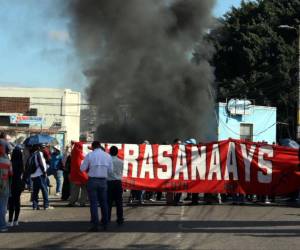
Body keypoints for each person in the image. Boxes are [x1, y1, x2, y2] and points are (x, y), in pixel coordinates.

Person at [80, 141, 112, 232]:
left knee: (93, 204)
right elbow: (110, 171)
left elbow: (82, 168)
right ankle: (105, 224)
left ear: (93, 147)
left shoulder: (90, 155)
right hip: (103, 181)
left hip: (92, 181)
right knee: (104, 203)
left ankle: (95, 225)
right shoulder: (107, 156)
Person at [29, 145, 53, 210]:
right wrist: (44, 172)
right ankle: (46, 205)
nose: (44, 148)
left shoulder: (32, 153)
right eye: (43, 147)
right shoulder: (39, 153)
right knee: (44, 190)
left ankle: (35, 205)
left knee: (35, 191)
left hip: (34, 175)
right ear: (39, 148)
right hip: (40, 174)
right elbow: (41, 163)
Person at [8, 145, 24, 227]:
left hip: (11, 184)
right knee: (17, 202)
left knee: (11, 203)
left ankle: (10, 221)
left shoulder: (10, 163)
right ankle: (16, 220)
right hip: (19, 184)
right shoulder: (21, 164)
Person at [107, 146, 124, 225]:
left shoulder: (107, 161)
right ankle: (120, 218)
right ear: (117, 152)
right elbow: (121, 172)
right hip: (118, 182)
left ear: (110, 152)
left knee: (108, 202)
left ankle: (107, 218)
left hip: (109, 182)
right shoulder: (121, 161)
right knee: (119, 202)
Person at [68, 142, 88, 207]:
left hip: (74, 174)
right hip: (82, 174)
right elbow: (84, 158)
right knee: (84, 189)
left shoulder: (73, 152)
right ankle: (82, 202)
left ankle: (72, 202)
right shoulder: (79, 152)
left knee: (75, 189)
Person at [0, 140, 12, 232]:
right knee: (3, 207)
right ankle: (2, 225)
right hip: (4, 186)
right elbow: (11, 174)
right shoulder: (6, 160)